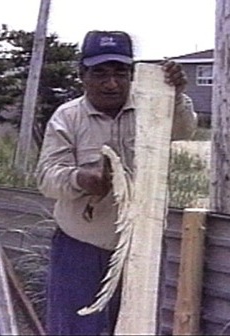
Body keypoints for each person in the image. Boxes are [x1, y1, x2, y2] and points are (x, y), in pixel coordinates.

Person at [35, 30, 197, 335]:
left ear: (132, 74)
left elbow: (185, 130)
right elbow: (46, 177)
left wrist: (175, 94)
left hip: (144, 244)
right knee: (76, 328)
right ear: (82, 75)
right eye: (100, 73)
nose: (111, 83)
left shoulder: (153, 107)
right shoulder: (67, 118)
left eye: (120, 73)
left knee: (139, 325)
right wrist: (82, 179)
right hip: (82, 247)